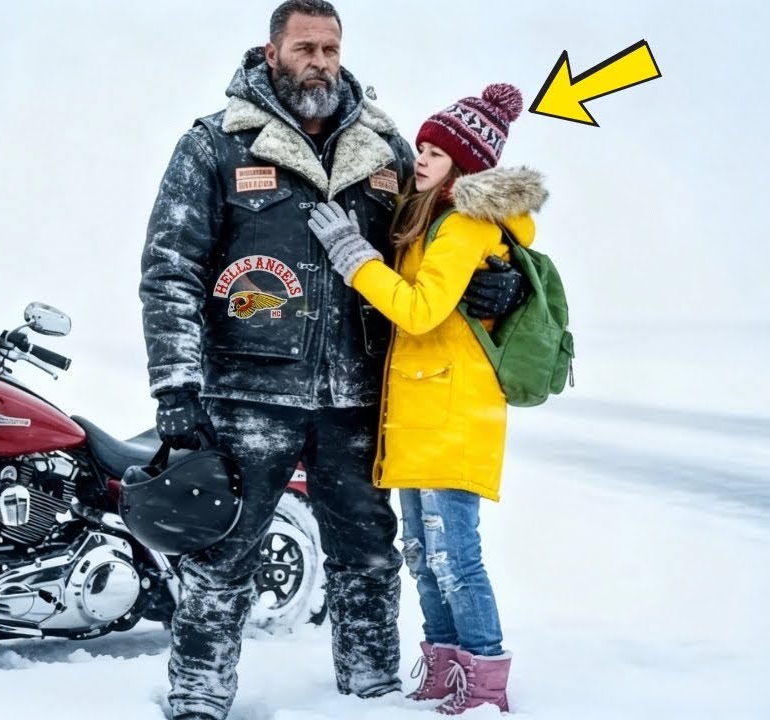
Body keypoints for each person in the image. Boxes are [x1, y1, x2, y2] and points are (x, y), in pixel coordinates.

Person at [139, 2, 524, 717]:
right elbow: (170, 271)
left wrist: (494, 283)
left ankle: (370, 692)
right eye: (305, 48)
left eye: (330, 49)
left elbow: (440, 231)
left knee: (369, 557)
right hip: (248, 395)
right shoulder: (215, 145)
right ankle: (198, 695)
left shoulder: (385, 150)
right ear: (272, 53)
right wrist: (176, 384)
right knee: (223, 555)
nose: (319, 62)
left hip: (358, 397)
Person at [306, 82, 548, 713]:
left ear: (463, 165)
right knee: (423, 555)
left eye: (436, 152)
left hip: (453, 413)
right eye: (421, 146)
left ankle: (484, 680)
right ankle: (445, 668)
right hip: (420, 414)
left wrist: (354, 258)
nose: (421, 158)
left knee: (455, 557)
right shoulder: (426, 219)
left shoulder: (465, 224)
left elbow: (418, 311)